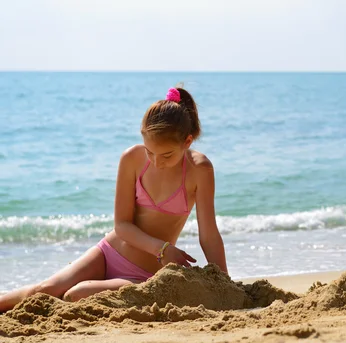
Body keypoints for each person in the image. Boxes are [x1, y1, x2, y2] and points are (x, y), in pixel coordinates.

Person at [0, 87, 227, 312]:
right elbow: (122, 226)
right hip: (108, 253)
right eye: (150, 151)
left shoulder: (200, 170)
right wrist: (162, 248)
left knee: (75, 295)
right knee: (44, 290)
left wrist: (225, 284)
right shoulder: (131, 159)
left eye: (167, 155)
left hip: (144, 275)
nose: (157, 162)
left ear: (187, 142)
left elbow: (208, 235)